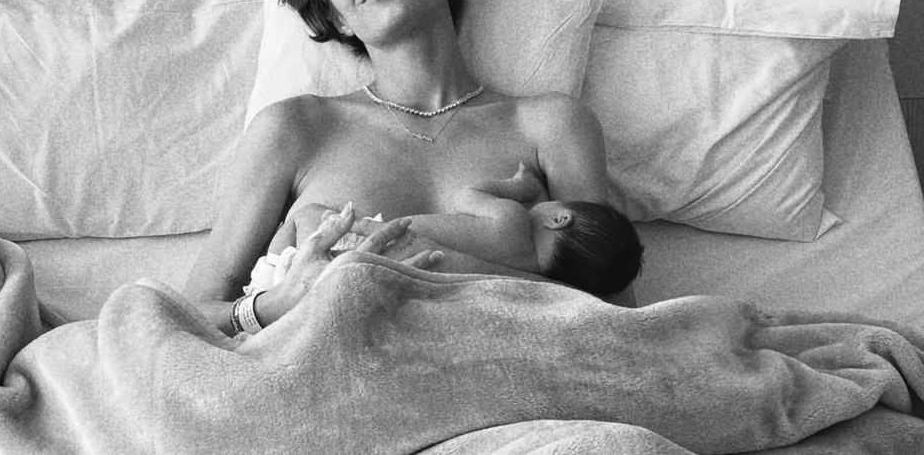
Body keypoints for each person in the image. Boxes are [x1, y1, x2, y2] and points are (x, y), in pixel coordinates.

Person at [183, 0, 625, 335]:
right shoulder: (296, 128)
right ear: (336, 16)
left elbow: (618, 323)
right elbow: (187, 319)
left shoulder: (551, 125)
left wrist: (439, 266)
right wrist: (274, 305)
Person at [248, 163, 642, 298]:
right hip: (374, 273)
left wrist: (520, 188)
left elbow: (466, 195)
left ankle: (265, 278)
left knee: (304, 216)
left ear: (560, 219)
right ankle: (267, 278)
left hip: (368, 241)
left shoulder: (513, 220)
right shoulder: (529, 278)